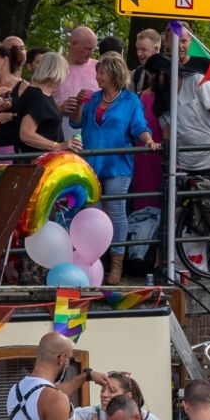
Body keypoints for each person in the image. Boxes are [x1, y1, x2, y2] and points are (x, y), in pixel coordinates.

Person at [75, 52, 153, 283]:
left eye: (101, 72)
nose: (97, 76)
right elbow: (77, 122)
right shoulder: (92, 98)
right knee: (93, 213)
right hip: (91, 163)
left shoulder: (130, 100)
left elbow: (139, 125)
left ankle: (117, 264)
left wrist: (148, 140)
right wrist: (79, 104)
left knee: (116, 211)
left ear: (113, 74)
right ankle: (94, 262)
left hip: (118, 164)